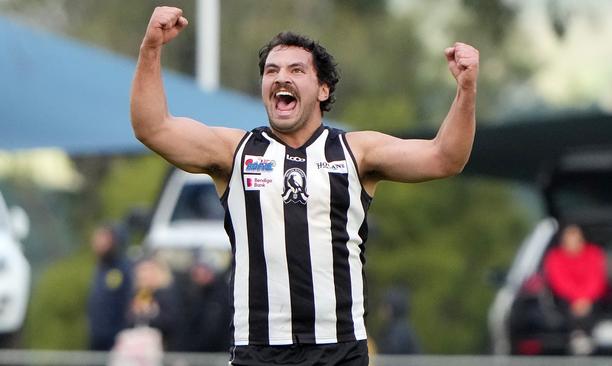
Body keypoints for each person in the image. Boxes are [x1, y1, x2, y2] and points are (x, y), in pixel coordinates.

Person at [130, 6, 478, 365]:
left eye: (296, 70)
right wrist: (151, 48)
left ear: (323, 89)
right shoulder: (235, 151)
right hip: (258, 349)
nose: (281, 77)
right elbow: (152, 127)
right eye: (271, 71)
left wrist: (466, 89)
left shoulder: (356, 152)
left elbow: (445, 157)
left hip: (338, 348)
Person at [543, 224, 608, 355]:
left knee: (590, 309)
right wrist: (577, 298)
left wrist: (585, 299)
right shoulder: (554, 257)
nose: (572, 243)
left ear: (582, 240)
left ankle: (586, 340)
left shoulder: (594, 253)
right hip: (566, 301)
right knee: (567, 308)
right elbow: (558, 281)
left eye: (575, 239)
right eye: (568, 239)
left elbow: (597, 279)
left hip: (592, 301)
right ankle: (578, 340)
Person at [87, 223, 132, 351]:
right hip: (97, 336)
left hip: (116, 339)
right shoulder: (101, 268)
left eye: (104, 238)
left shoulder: (123, 268)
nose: (97, 242)